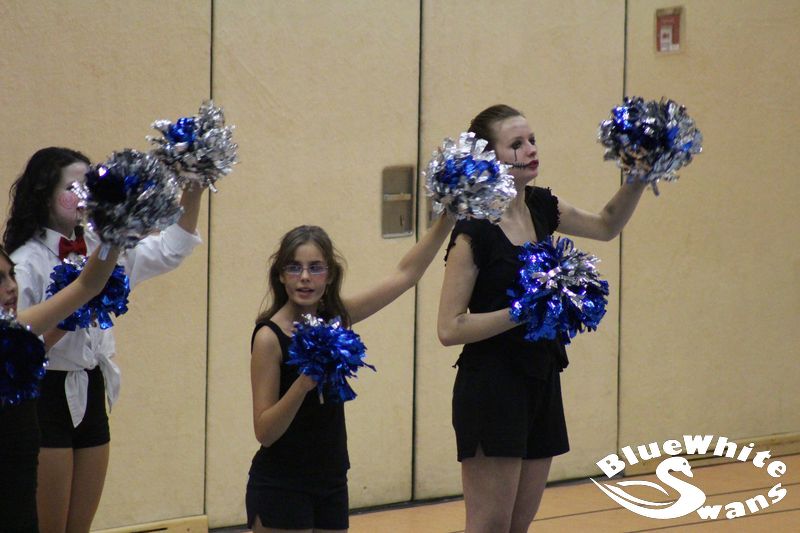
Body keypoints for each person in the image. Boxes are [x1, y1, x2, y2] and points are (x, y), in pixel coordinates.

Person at [437, 104, 647, 533]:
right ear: (489, 158)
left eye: (531, 140)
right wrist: (524, 311)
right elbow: (449, 327)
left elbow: (606, 225)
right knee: (489, 527)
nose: (530, 149)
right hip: (492, 386)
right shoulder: (474, 230)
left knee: (518, 526)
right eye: (516, 144)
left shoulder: (541, 206)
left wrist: (640, 175)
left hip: (542, 378)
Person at [3, 146, 206, 533]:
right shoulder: (26, 263)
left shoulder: (104, 248)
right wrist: (70, 317)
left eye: (90, 186)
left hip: (92, 388)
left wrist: (194, 184)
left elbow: (171, 248)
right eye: (72, 187)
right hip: (46, 395)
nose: (84, 196)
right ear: (44, 194)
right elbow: (16, 357)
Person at [248, 216, 452, 532]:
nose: (305, 277)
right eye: (295, 267)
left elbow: (406, 275)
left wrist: (448, 218)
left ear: (330, 275)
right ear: (281, 275)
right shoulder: (269, 337)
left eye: (315, 267)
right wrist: (302, 385)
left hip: (331, 479)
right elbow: (265, 432)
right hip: (282, 483)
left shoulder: (336, 318)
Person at [0, 243, 121, 532]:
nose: (12, 287)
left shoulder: (15, 340)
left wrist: (114, 237)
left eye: (11, 275)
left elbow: (87, 285)